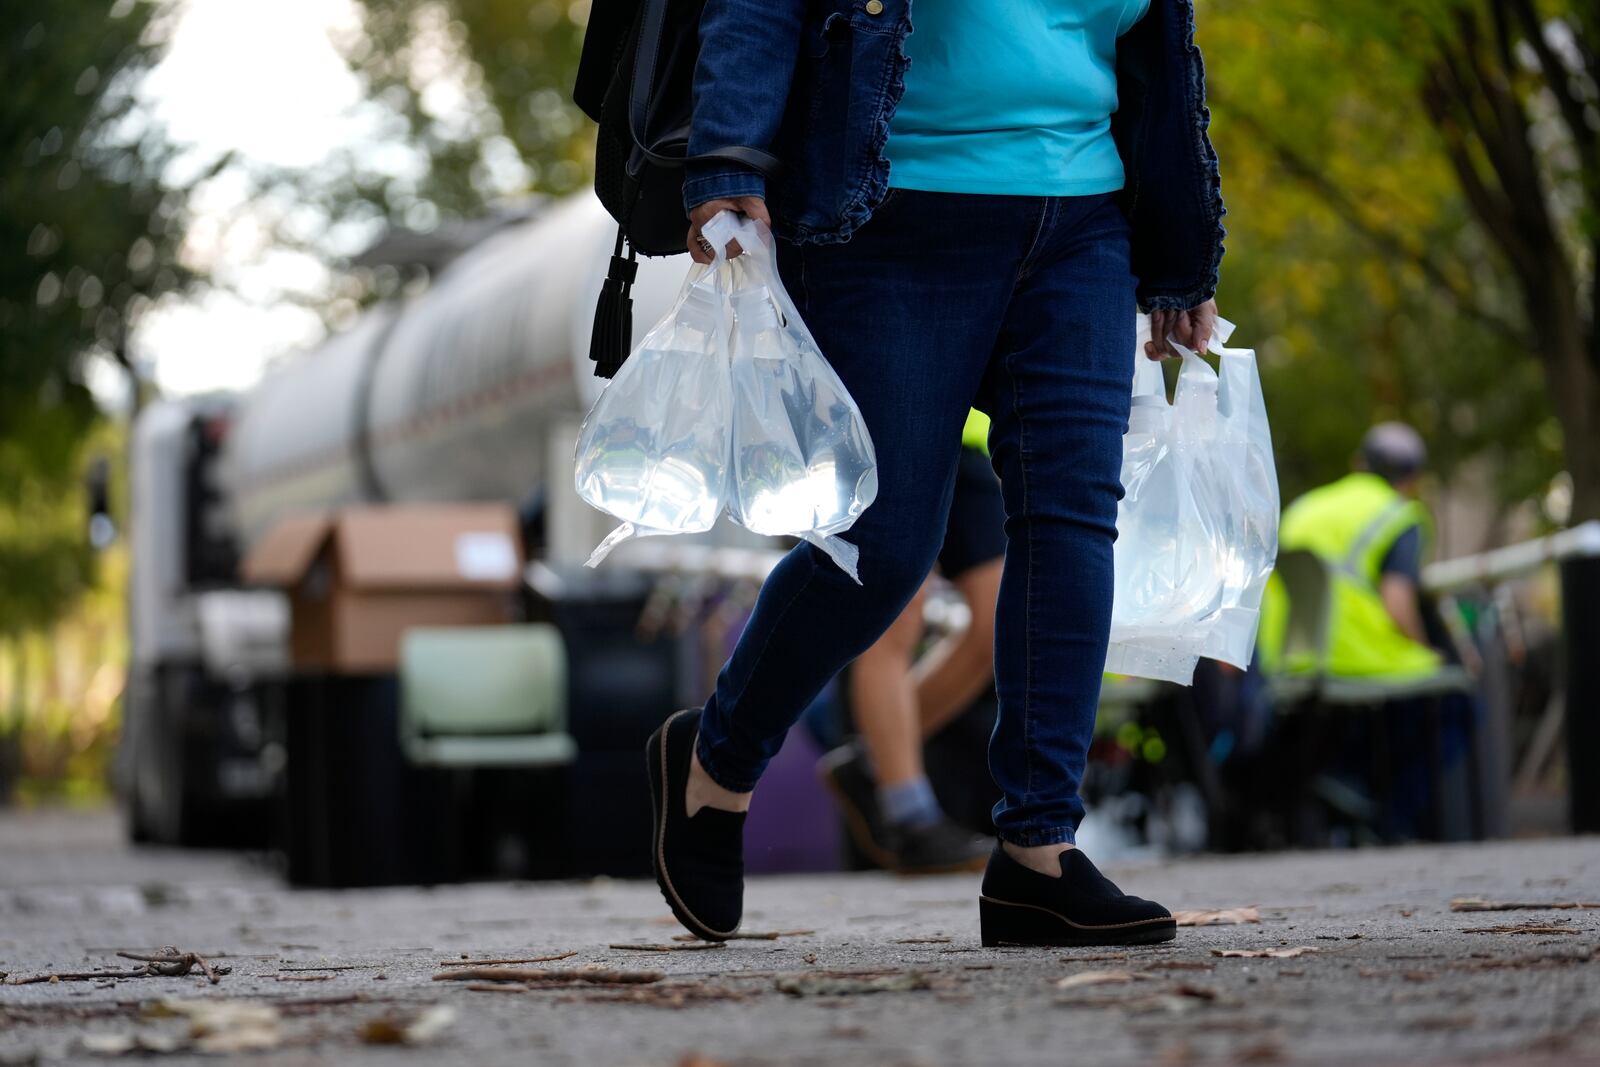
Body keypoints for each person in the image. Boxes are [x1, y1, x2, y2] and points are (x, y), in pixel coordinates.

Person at [645, 0, 1225, 947]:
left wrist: (1179, 248)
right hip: (892, 207)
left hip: (1085, 215)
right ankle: (717, 757)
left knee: (1074, 512)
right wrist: (727, 157)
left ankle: (1039, 852)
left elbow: (1157, 46)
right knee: (884, 542)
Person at [819, 411, 1005, 874]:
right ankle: (910, 819)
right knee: (894, 612)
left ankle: (870, 761)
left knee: (1000, 619)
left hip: (958, 429)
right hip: (874, 420)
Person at [1261, 423, 1441, 680]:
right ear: (1412, 481)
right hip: (1358, 661)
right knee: (1445, 674)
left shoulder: (1304, 507)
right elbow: (1397, 602)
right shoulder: (1399, 515)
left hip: (1283, 660)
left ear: (1358, 463)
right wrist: (1423, 647)